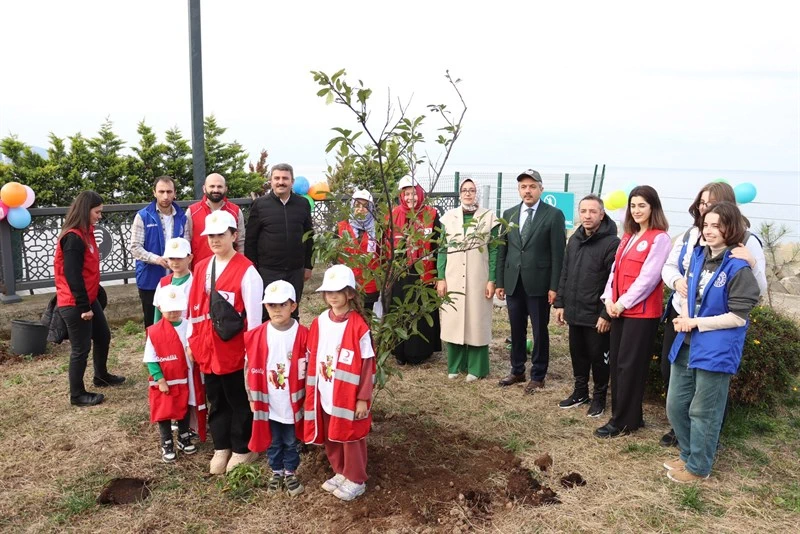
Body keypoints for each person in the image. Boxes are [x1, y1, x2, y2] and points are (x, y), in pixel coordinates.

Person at [658, 181, 767, 447]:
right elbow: (671, 266)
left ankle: (705, 442)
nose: (704, 209)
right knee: (672, 375)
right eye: (702, 203)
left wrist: (751, 263)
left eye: (711, 203)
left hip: (714, 325)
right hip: (682, 316)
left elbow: (757, 290)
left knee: (708, 389)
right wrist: (676, 282)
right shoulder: (691, 234)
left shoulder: (747, 240)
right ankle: (684, 435)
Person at [186, 210, 264, 474]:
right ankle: (222, 446)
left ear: (234, 235)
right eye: (211, 235)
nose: (215, 240)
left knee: (237, 397)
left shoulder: (247, 271)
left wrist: (251, 354)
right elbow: (192, 309)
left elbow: (253, 320)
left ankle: (243, 447)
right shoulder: (200, 267)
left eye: (221, 234)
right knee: (215, 397)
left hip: (233, 349)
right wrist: (190, 340)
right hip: (207, 347)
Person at [595, 185, 671, 438]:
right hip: (619, 311)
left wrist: (623, 303)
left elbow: (648, 278)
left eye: (642, 205)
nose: (636, 210)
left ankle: (621, 422)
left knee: (629, 366)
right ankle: (630, 417)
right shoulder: (629, 236)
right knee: (617, 363)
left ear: (653, 208)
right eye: (633, 205)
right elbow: (615, 272)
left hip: (640, 314)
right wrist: (608, 299)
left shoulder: (659, 238)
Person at [304, 265, 376, 502]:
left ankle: (356, 478)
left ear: (351, 294)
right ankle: (340, 471)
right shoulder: (320, 321)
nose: (332, 296)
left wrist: (362, 398)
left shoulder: (358, 326)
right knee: (331, 434)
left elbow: (367, 365)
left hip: (348, 396)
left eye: (338, 291)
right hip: (325, 391)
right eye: (328, 291)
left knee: (351, 436)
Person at [495, 169, 566, 393]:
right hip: (513, 282)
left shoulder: (553, 215)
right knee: (516, 329)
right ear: (519, 190)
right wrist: (499, 282)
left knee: (539, 331)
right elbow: (502, 251)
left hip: (539, 284)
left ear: (541, 189)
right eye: (524, 187)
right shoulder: (509, 214)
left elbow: (558, 254)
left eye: (532, 186)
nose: (528, 190)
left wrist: (555, 287)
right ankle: (517, 370)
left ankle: (538, 374)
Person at [54, 190, 125, 407]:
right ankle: (77, 395)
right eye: (97, 212)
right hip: (76, 303)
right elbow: (72, 274)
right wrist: (85, 306)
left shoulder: (87, 233)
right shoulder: (73, 238)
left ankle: (101, 376)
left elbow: (87, 270)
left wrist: (96, 293)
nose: (99, 216)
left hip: (88, 297)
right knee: (80, 348)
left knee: (103, 336)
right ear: (86, 211)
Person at [553, 194, 620, 417]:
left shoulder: (612, 243)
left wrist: (606, 314)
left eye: (593, 211)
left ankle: (599, 397)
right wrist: (561, 304)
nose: (588, 216)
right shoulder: (574, 239)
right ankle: (580, 392)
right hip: (574, 311)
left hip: (597, 315)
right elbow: (565, 272)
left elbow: (615, 282)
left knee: (599, 360)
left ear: (602, 214)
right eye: (584, 211)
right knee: (578, 355)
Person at [245, 280, 309, 497]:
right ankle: (276, 470)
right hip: (268, 401)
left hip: (292, 402)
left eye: (282, 305)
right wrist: (252, 397)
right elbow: (249, 367)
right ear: (265, 307)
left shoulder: (304, 335)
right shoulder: (256, 335)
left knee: (291, 440)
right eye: (271, 305)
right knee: (273, 439)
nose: (276, 310)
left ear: (293, 306)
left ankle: (290, 471)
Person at [436, 178, 498, 381]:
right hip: (453, 277)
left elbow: (495, 250)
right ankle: (455, 366)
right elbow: (442, 250)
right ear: (460, 193)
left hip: (478, 277)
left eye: (472, 190)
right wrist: (441, 277)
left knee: (476, 320)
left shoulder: (488, 218)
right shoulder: (448, 218)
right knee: (453, 319)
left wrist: (492, 279)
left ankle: (476, 368)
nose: (468, 194)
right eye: (464, 190)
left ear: (477, 193)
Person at [143, 287, 206, 463]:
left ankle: (184, 438)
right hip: (166, 381)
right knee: (165, 413)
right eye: (169, 309)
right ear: (161, 309)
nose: (173, 313)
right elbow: (151, 358)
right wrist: (159, 378)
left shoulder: (188, 325)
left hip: (185, 378)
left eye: (176, 309)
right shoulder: (155, 331)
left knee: (183, 409)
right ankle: (167, 443)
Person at [244, 163, 314, 322]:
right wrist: (252, 268)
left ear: (292, 181)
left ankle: (292, 346)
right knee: (268, 313)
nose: (281, 182)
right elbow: (251, 240)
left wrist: (308, 266)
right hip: (268, 271)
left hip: (295, 270)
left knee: (292, 311)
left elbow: (309, 236)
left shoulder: (302, 204)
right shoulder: (260, 205)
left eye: (285, 178)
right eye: (277, 178)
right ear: (271, 180)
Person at [390, 176, 442, 365]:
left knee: (421, 310)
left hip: (424, 272)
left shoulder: (431, 213)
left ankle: (420, 352)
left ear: (420, 193)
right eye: (406, 194)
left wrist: (438, 273)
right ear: (401, 196)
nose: (410, 198)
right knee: (401, 310)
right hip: (401, 273)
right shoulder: (393, 214)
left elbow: (438, 245)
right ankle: (400, 351)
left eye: (413, 193)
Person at [131, 176, 189, 328]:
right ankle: (152, 350)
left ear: (175, 193)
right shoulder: (143, 216)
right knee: (152, 322)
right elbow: (135, 247)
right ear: (154, 193)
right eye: (161, 191)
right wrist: (156, 259)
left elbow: (186, 245)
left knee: (177, 319)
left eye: (169, 191)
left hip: (176, 277)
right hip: (150, 277)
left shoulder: (183, 217)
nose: (165, 196)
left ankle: (175, 350)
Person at [186, 173, 245, 265]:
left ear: (225, 189)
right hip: (200, 268)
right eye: (212, 186)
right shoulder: (192, 211)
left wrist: (241, 265)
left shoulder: (236, 211)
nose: (216, 190)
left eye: (219, 186)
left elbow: (240, 242)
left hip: (229, 267)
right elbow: (187, 242)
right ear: (204, 188)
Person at [336, 189, 380, 310]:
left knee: (368, 318)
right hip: (348, 283)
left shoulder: (378, 228)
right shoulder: (341, 227)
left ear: (371, 207)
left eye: (365, 206)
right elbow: (335, 257)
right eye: (357, 205)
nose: (361, 209)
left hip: (370, 284)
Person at [152, 237, 193, 323]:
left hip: (191, 329)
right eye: (171, 258)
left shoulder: (196, 281)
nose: (175, 262)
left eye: (179, 258)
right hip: (169, 332)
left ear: (190, 258)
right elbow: (158, 311)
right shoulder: (163, 283)